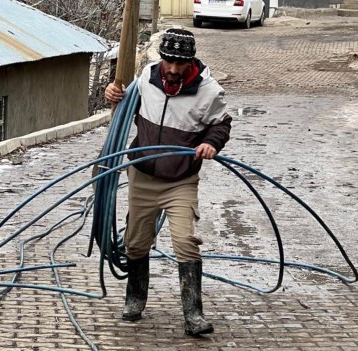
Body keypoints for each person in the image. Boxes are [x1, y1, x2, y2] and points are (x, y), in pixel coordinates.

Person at [104, 28, 232, 336]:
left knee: (185, 242)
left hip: (180, 180)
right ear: (162, 58)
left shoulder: (209, 91)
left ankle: (193, 314)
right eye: (169, 62)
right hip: (143, 174)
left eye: (180, 64)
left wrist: (212, 143)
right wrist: (112, 93)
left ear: (191, 62)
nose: (173, 70)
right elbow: (123, 108)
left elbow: (222, 124)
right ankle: (135, 298)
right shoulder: (146, 76)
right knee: (135, 242)